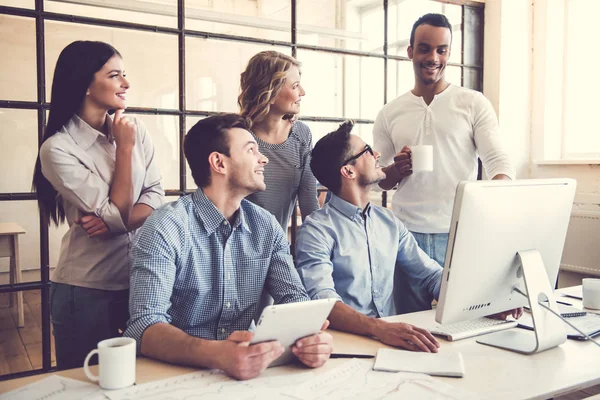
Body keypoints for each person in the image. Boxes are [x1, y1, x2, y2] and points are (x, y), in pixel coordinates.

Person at [123, 114, 333, 381]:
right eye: (251, 150)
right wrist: (216, 353)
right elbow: (143, 326)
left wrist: (312, 339)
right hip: (174, 378)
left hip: (245, 376)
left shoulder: (266, 227)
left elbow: (295, 300)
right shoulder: (165, 227)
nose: (264, 158)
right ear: (219, 163)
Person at [295, 121, 523, 349]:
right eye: (367, 151)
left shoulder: (388, 222)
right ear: (348, 170)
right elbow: (323, 301)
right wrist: (377, 327)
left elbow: (430, 275)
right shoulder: (317, 231)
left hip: (390, 339)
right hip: (343, 344)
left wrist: (485, 304)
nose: (377, 154)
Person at [32, 41, 164, 369]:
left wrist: (114, 222)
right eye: (115, 75)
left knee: (139, 377)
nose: (126, 83)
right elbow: (117, 211)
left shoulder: (135, 130)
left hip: (139, 280)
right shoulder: (58, 149)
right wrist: (124, 149)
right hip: (86, 288)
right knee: (83, 383)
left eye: (125, 75)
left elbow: (155, 194)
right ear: (86, 84)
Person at [374, 13, 515, 269]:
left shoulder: (473, 103)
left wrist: (493, 208)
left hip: (459, 232)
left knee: (459, 310)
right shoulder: (389, 112)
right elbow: (378, 180)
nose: (433, 58)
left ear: (449, 53)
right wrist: (396, 169)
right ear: (410, 51)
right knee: (408, 310)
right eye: (424, 49)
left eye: (442, 50)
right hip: (404, 235)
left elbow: (499, 162)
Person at [238, 51, 319, 232]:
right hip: (236, 248)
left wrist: (316, 250)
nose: (302, 92)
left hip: (279, 247)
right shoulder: (237, 134)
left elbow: (308, 198)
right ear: (270, 92)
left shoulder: (302, 134)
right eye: (295, 86)